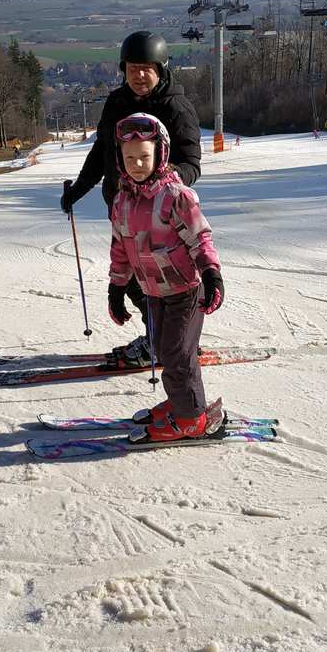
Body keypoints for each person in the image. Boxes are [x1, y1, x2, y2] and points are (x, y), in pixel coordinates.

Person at [60, 31, 202, 365]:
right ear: (124, 69)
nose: (139, 75)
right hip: (123, 210)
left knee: (161, 283)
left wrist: (163, 185)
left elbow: (191, 165)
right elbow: (102, 151)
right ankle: (163, 339)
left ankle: (167, 342)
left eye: (147, 69)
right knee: (133, 281)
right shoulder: (116, 103)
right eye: (132, 68)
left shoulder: (175, 107)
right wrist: (80, 188)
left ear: (161, 69)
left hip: (162, 216)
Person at [108, 114, 224, 443]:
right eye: (129, 157)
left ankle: (191, 418)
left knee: (177, 352)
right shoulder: (122, 201)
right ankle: (179, 401)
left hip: (186, 289)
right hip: (154, 291)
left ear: (160, 154)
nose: (137, 164)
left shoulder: (176, 196)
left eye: (144, 156)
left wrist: (211, 274)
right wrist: (116, 287)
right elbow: (120, 248)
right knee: (161, 348)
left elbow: (200, 239)